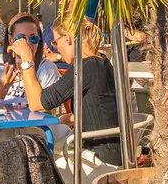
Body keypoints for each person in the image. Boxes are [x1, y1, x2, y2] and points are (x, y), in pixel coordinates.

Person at [7, 18, 121, 164]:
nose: (56, 48)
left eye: (55, 42)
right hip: (109, 150)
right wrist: (71, 118)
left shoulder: (86, 67)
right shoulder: (101, 61)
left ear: (67, 39)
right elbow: (101, 107)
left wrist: (27, 59)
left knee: (31, 161)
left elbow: (36, 103)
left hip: (98, 158)